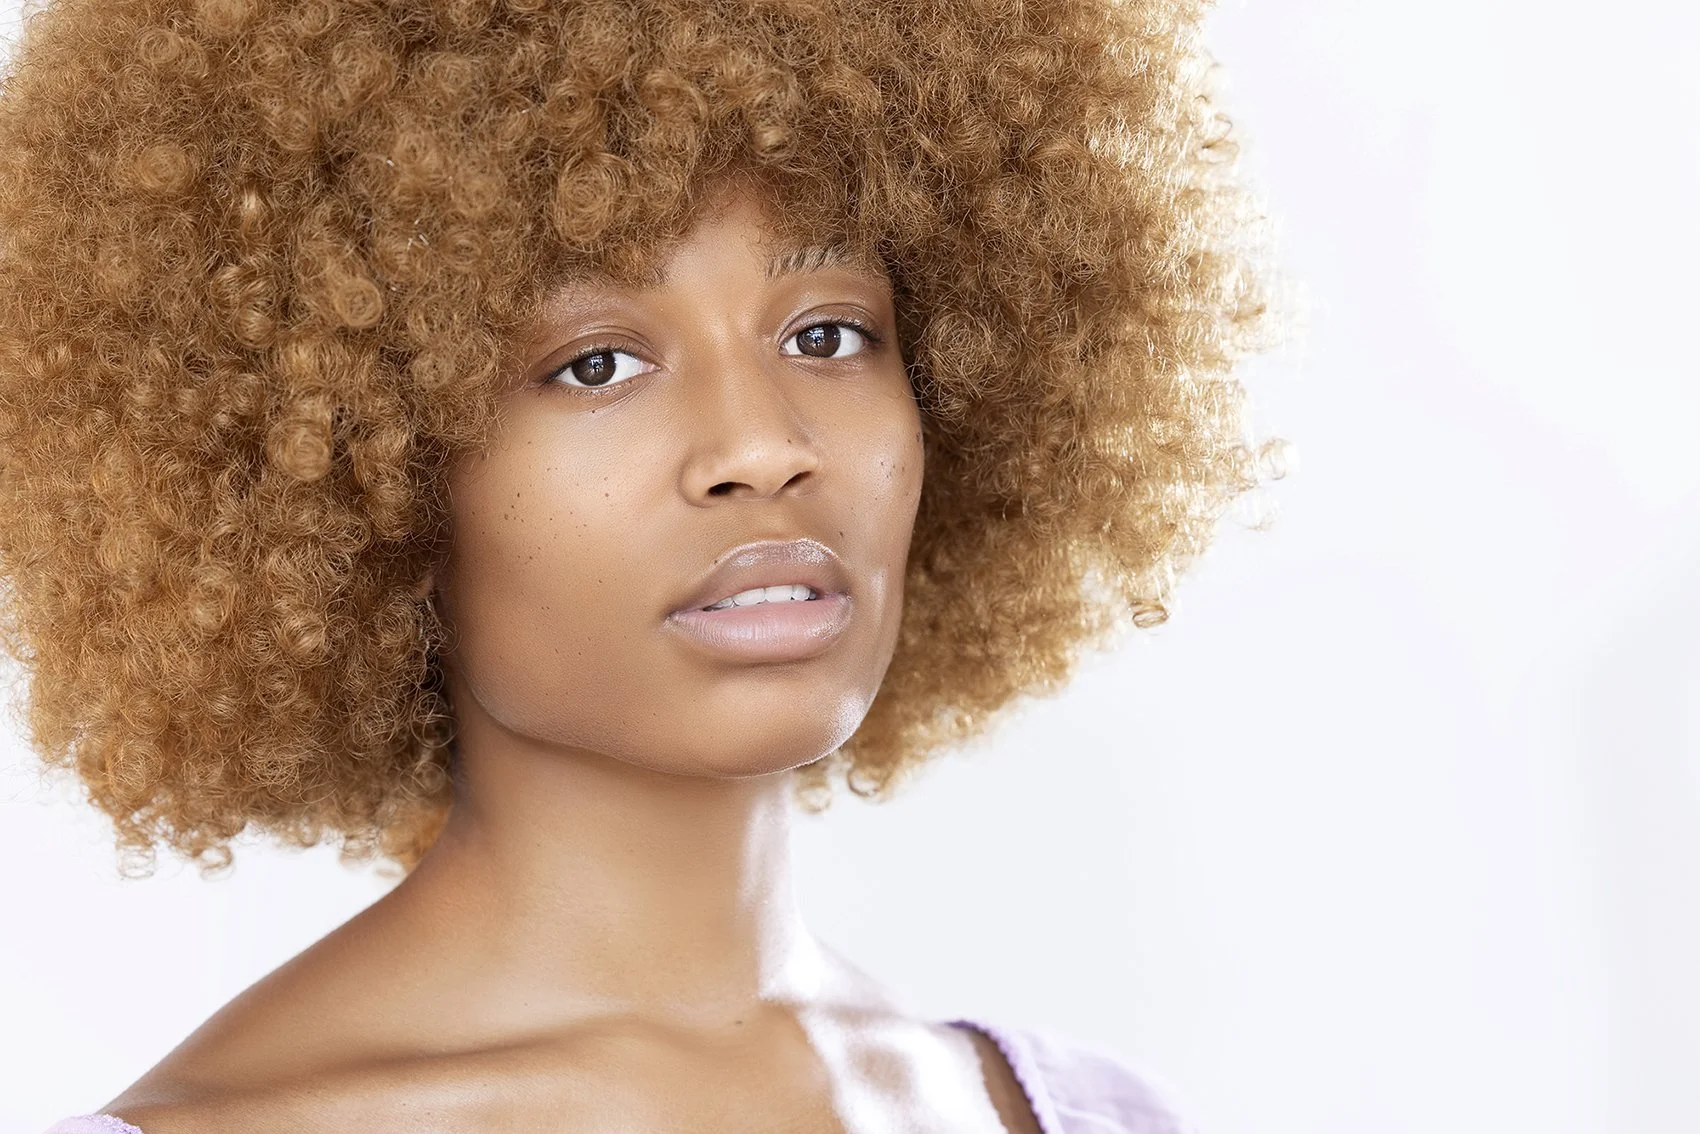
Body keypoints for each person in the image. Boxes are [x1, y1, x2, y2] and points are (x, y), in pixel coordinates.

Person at [1, 0, 1286, 1129]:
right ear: (352, 472)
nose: (763, 446)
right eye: (593, 363)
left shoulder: (1086, 1116)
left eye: (829, 332)